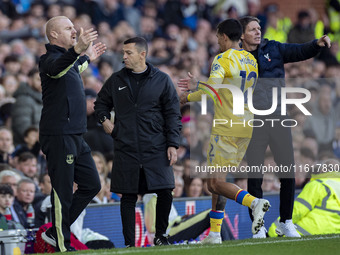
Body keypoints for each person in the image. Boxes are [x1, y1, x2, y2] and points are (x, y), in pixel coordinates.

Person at [178, 19, 270, 244]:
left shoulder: (222, 59)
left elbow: (212, 90)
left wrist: (188, 96)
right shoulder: (250, 59)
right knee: (217, 182)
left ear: (224, 36)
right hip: (246, 126)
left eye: (218, 37)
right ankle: (215, 233)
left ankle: (254, 203)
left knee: (215, 183)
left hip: (226, 126)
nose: (217, 41)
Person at [238, 16, 331, 238]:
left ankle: (286, 221)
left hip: (279, 118)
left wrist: (315, 44)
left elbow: (298, 51)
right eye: (252, 29)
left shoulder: (274, 48)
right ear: (242, 35)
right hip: (254, 121)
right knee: (255, 174)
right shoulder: (236, 57)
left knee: (287, 171)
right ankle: (257, 226)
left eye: (259, 28)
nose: (258, 32)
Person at [94, 36, 182, 247]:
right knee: (127, 196)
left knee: (165, 190)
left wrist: (173, 144)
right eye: (123, 53)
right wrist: (105, 121)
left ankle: (161, 235)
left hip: (156, 146)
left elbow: (173, 113)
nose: (123, 56)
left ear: (142, 54)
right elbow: (100, 104)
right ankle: (129, 244)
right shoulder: (116, 80)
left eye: (128, 53)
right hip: (126, 147)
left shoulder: (162, 79)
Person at [38, 16, 106, 252]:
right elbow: (58, 70)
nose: (74, 31)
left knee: (91, 184)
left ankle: (54, 231)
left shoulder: (70, 62)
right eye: (68, 28)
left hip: (76, 135)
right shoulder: (48, 60)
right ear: (54, 35)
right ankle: (62, 244)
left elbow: (75, 66)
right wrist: (78, 51)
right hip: (59, 135)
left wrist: (86, 57)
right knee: (63, 192)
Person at [268, 158, 340, 236]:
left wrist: (273, 232)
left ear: (322, 169)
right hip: (334, 234)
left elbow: (297, 210)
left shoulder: (318, 184)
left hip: (307, 232)